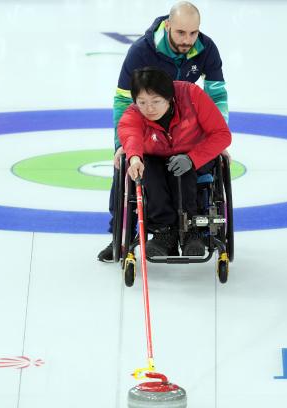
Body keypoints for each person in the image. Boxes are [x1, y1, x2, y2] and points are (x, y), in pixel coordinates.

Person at [97, 1, 229, 262]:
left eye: (194, 33)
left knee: (192, 167)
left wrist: (216, 137)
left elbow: (216, 95)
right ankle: (118, 235)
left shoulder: (206, 49)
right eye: (181, 33)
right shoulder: (141, 52)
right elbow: (125, 102)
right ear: (168, 26)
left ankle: (192, 229)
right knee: (124, 168)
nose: (188, 40)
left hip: (187, 118)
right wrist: (123, 145)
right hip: (149, 123)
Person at [117, 66, 231, 257]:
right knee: (150, 171)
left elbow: (221, 134)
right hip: (155, 158)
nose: (149, 108)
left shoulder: (192, 95)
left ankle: (190, 231)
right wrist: (134, 157)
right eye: (142, 102)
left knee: (183, 172)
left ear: (169, 98)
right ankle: (164, 233)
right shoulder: (135, 113)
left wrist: (192, 158)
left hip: (195, 153)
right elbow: (130, 133)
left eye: (156, 101)